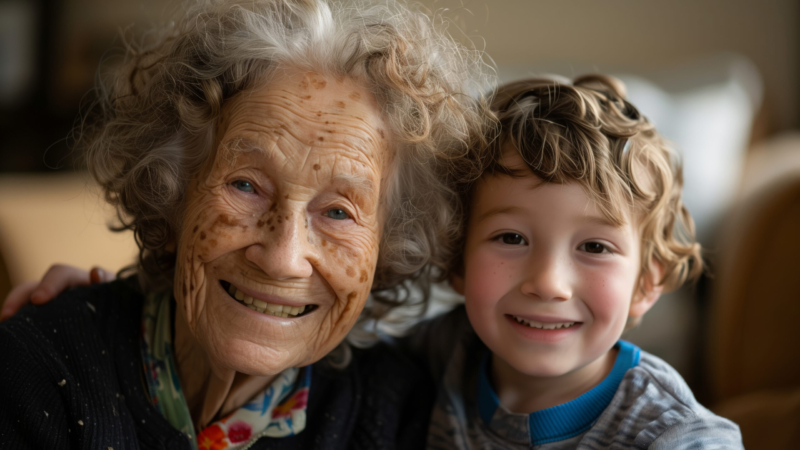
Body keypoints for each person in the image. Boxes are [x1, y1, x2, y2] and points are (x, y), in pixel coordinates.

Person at [0, 0, 493, 448]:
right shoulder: (38, 369)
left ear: (387, 251)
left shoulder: (392, 410)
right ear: (171, 194)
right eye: (246, 186)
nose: (283, 258)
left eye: (339, 212)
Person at [405, 76, 744, 448]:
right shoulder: (442, 350)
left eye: (595, 247)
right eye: (511, 238)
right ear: (457, 262)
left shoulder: (671, 434)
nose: (549, 283)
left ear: (645, 283)